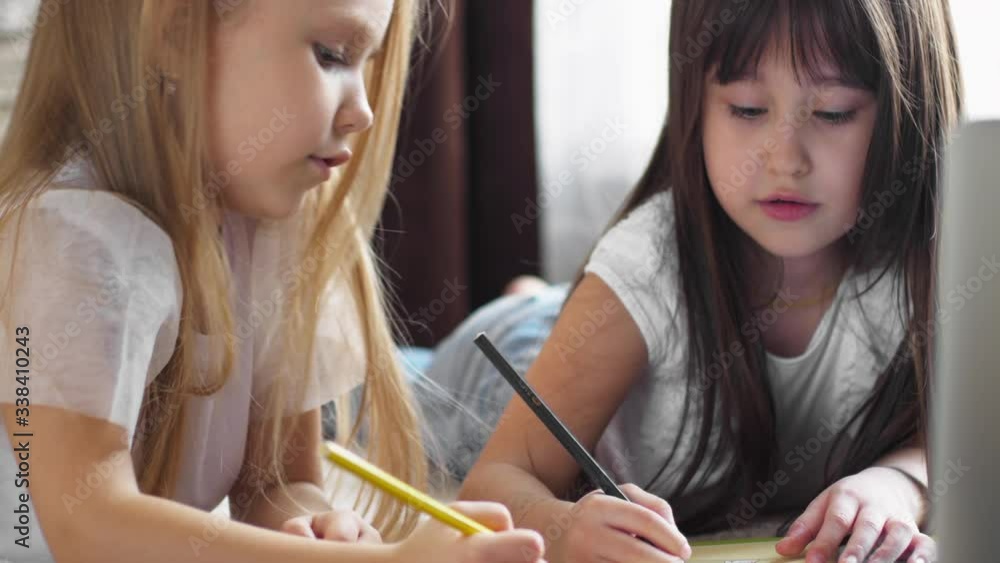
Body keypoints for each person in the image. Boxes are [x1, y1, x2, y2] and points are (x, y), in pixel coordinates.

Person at [0, 1, 545, 562]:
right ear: (174, 32)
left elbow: (275, 483)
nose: (364, 111)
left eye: (367, 64)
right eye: (332, 55)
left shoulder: (269, 236)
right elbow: (86, 527)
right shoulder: (70, 240)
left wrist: (319, 530)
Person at [437, 1, 963, 562]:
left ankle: (537, 297)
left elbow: (951, 437)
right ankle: (528, 300)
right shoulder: (646, 266)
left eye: (833, 113)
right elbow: (495, 478)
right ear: (695, 104)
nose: (785, 160)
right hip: (497, 368)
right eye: (747, 108)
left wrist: (896, 483)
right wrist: (564, 527)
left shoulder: (936, 258)